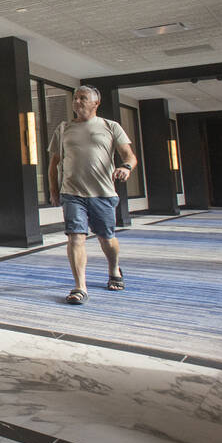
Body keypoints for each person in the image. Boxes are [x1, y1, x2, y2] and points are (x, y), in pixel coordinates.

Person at [47, 85, 139, 305]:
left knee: (106, 237)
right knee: (75, 237)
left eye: (83, 98)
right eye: (75, 98)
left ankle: (114, 268)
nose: (77, 101)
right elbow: (54, 163)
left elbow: (130, 156)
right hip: (72, 192)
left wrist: (126, 167)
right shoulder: (63, 129)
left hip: (102, 192)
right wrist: (53, 190)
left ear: (96, 103)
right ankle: (80, 286)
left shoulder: (110, 126)